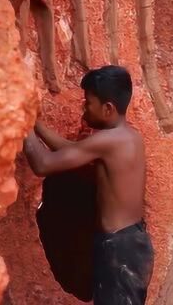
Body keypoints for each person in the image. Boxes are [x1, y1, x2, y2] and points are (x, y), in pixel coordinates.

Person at [23, 65, 154, 304]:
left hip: (120, 251)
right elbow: (73, 151)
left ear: (108, 108)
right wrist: (36, 124)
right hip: (131, 244)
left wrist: (19, 120)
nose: (84, 109)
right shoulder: (128, 137)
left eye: (88, 103)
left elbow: (42, 164)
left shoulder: (107, 141)